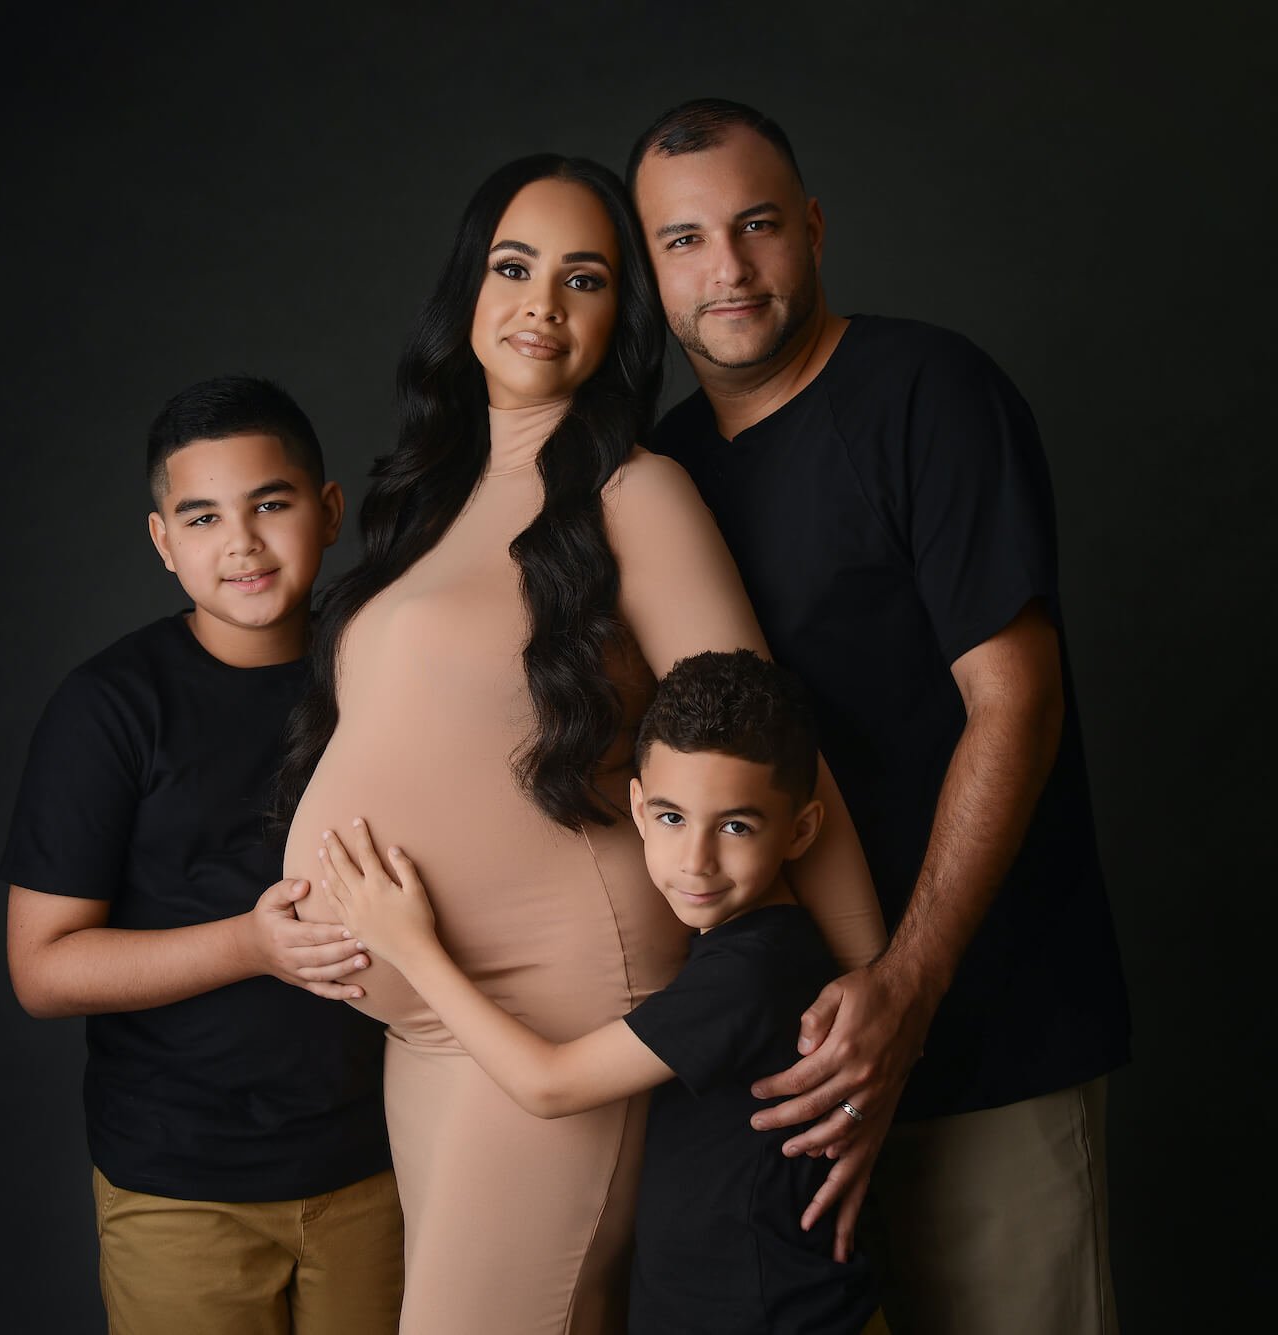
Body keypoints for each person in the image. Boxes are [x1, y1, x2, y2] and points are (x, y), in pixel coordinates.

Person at [270, 155, 885, 1334]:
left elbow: (769, 745)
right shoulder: (427, 498)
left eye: (584, 277)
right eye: (513, 267)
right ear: (467, 291)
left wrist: (868, 1009)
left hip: (559, 1013)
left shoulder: (632, 492)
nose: (540, 304)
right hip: (433, 1025)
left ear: (621, 315)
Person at [626, 99, 1134, 1333]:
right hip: (782, 1078)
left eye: (756, 225)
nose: (728, 267)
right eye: (684, 241)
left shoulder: (927, 392)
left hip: (979, 1029)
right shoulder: (659, 472)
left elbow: (1013, 699)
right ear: (650, 272)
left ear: (810, 227)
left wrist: (905, 987)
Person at [313, 649, 886, 1335]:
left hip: (768, 1314)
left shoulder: (754, 970)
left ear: (800, 831)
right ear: (638, 808)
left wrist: (413, 947)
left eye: (736, 825)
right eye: (673, 817)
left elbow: (549, 1085)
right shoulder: (742, 945)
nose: (697, 860)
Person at [0, 375, 402, 1335]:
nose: (243, 542)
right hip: (184, 1185)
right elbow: (42, 967)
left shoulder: (386, 672)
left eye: (271, 503)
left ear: (329, 509)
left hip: (380, 1162)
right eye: (204, 515)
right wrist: (250, 946)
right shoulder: (109, 707)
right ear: (163, 542)